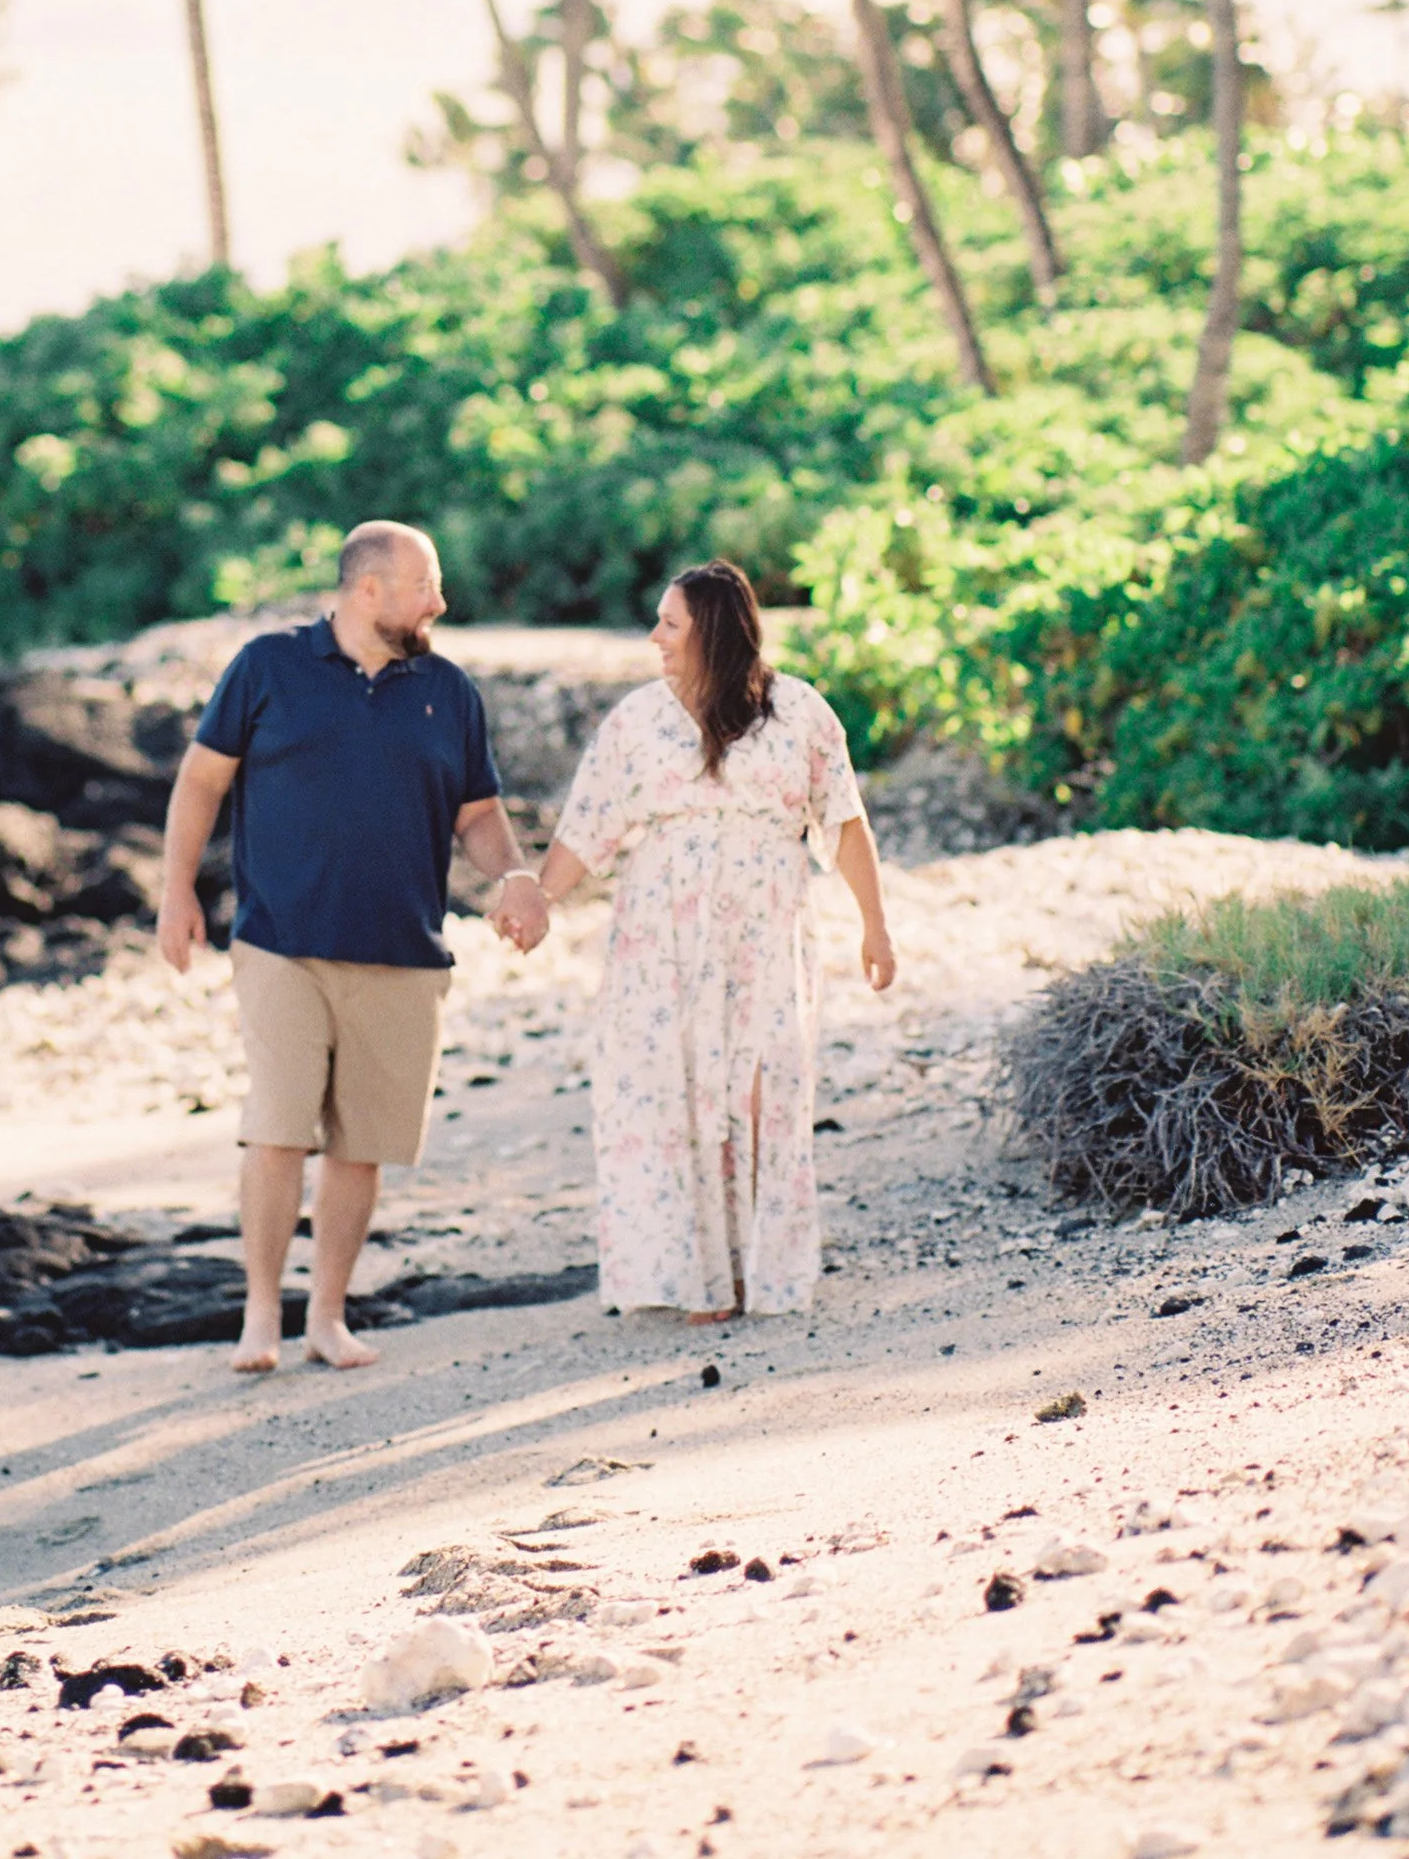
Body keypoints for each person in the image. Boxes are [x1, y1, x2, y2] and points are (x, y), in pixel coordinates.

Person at [156, 520, 541, 1374]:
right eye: (424, 585)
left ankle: (325, 1316)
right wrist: (176, 890)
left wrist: (514, 877)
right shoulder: (266, 667)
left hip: (403, 947)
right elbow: (201, 779)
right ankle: (260, 1314)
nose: (439, 603)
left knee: (361, 1144)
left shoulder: (448, 690)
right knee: (278, 1125)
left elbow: (477, 814)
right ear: (368, 589)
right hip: (280, 939)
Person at [492, 560, 895, 1323]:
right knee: (674, 1089)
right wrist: (535, 898)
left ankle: (760, 1269)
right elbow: (587, 826)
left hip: (766, 921)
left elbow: (842, 823)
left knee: (759, 1089)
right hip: (661, 928)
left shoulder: (799, 710)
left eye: (670, 624)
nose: (655, 637)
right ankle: (698, 1277)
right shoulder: (637, 720)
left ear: (711, 630)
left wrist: (875, 925)